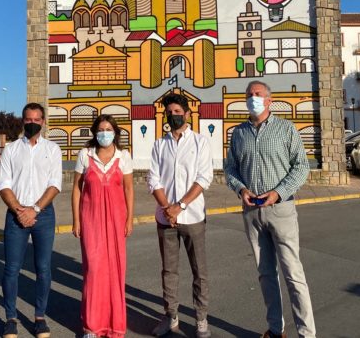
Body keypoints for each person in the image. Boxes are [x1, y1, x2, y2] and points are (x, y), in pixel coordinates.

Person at [224, 81, 316, 338]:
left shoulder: (286, 129)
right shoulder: (239, 133)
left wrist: (277, 193)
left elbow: (301, 167)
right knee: (266, 275)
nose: (253, 98)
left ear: (268, 100)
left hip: (281, 209)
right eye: (249, 95)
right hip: (252, 213)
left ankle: (307, 333)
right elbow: (230, 168)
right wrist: (241, 190)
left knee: (293, 274)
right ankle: (276, 329)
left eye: (257, 94)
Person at [147, 93, 214, 338]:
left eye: (177, 112)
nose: (173, 116)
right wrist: (168, 208)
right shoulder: (159, 144)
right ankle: (171, 317)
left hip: (193, 217)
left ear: (186, 113)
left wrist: (180, 206)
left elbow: (204, 178)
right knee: (169, 271)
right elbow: (153, 178)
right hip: (166, 219)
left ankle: (201, 320)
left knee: (200, 271)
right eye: (170, 112)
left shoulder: (200, 142)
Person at [0, 103, 62, 338]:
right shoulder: (11, 149)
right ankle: (11, 318)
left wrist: (34, 210)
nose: (32, 122)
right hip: (16, 215)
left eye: (37, 119)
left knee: (43, 268)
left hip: (43, 215)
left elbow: (55, 184)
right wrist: (19, 210)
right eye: (28, 119)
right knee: (12, 269)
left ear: (43, 122)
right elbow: (4, 185)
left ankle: (39, 318)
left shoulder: (53, 149)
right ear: (22, 121)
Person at [72, 115, 135, 338]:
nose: (105, 133)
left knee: (115, 271)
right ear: (94, 132)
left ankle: (114, 325)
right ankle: (92, 326)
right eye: (101, 129)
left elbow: (128, 189)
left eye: (109, 129)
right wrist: (76, 220)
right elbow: (77, 189)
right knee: (93, 270)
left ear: (115, 132)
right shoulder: (85, 155)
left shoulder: (124, 156)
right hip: (90, 220)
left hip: (117, 220)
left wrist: (129, 219)